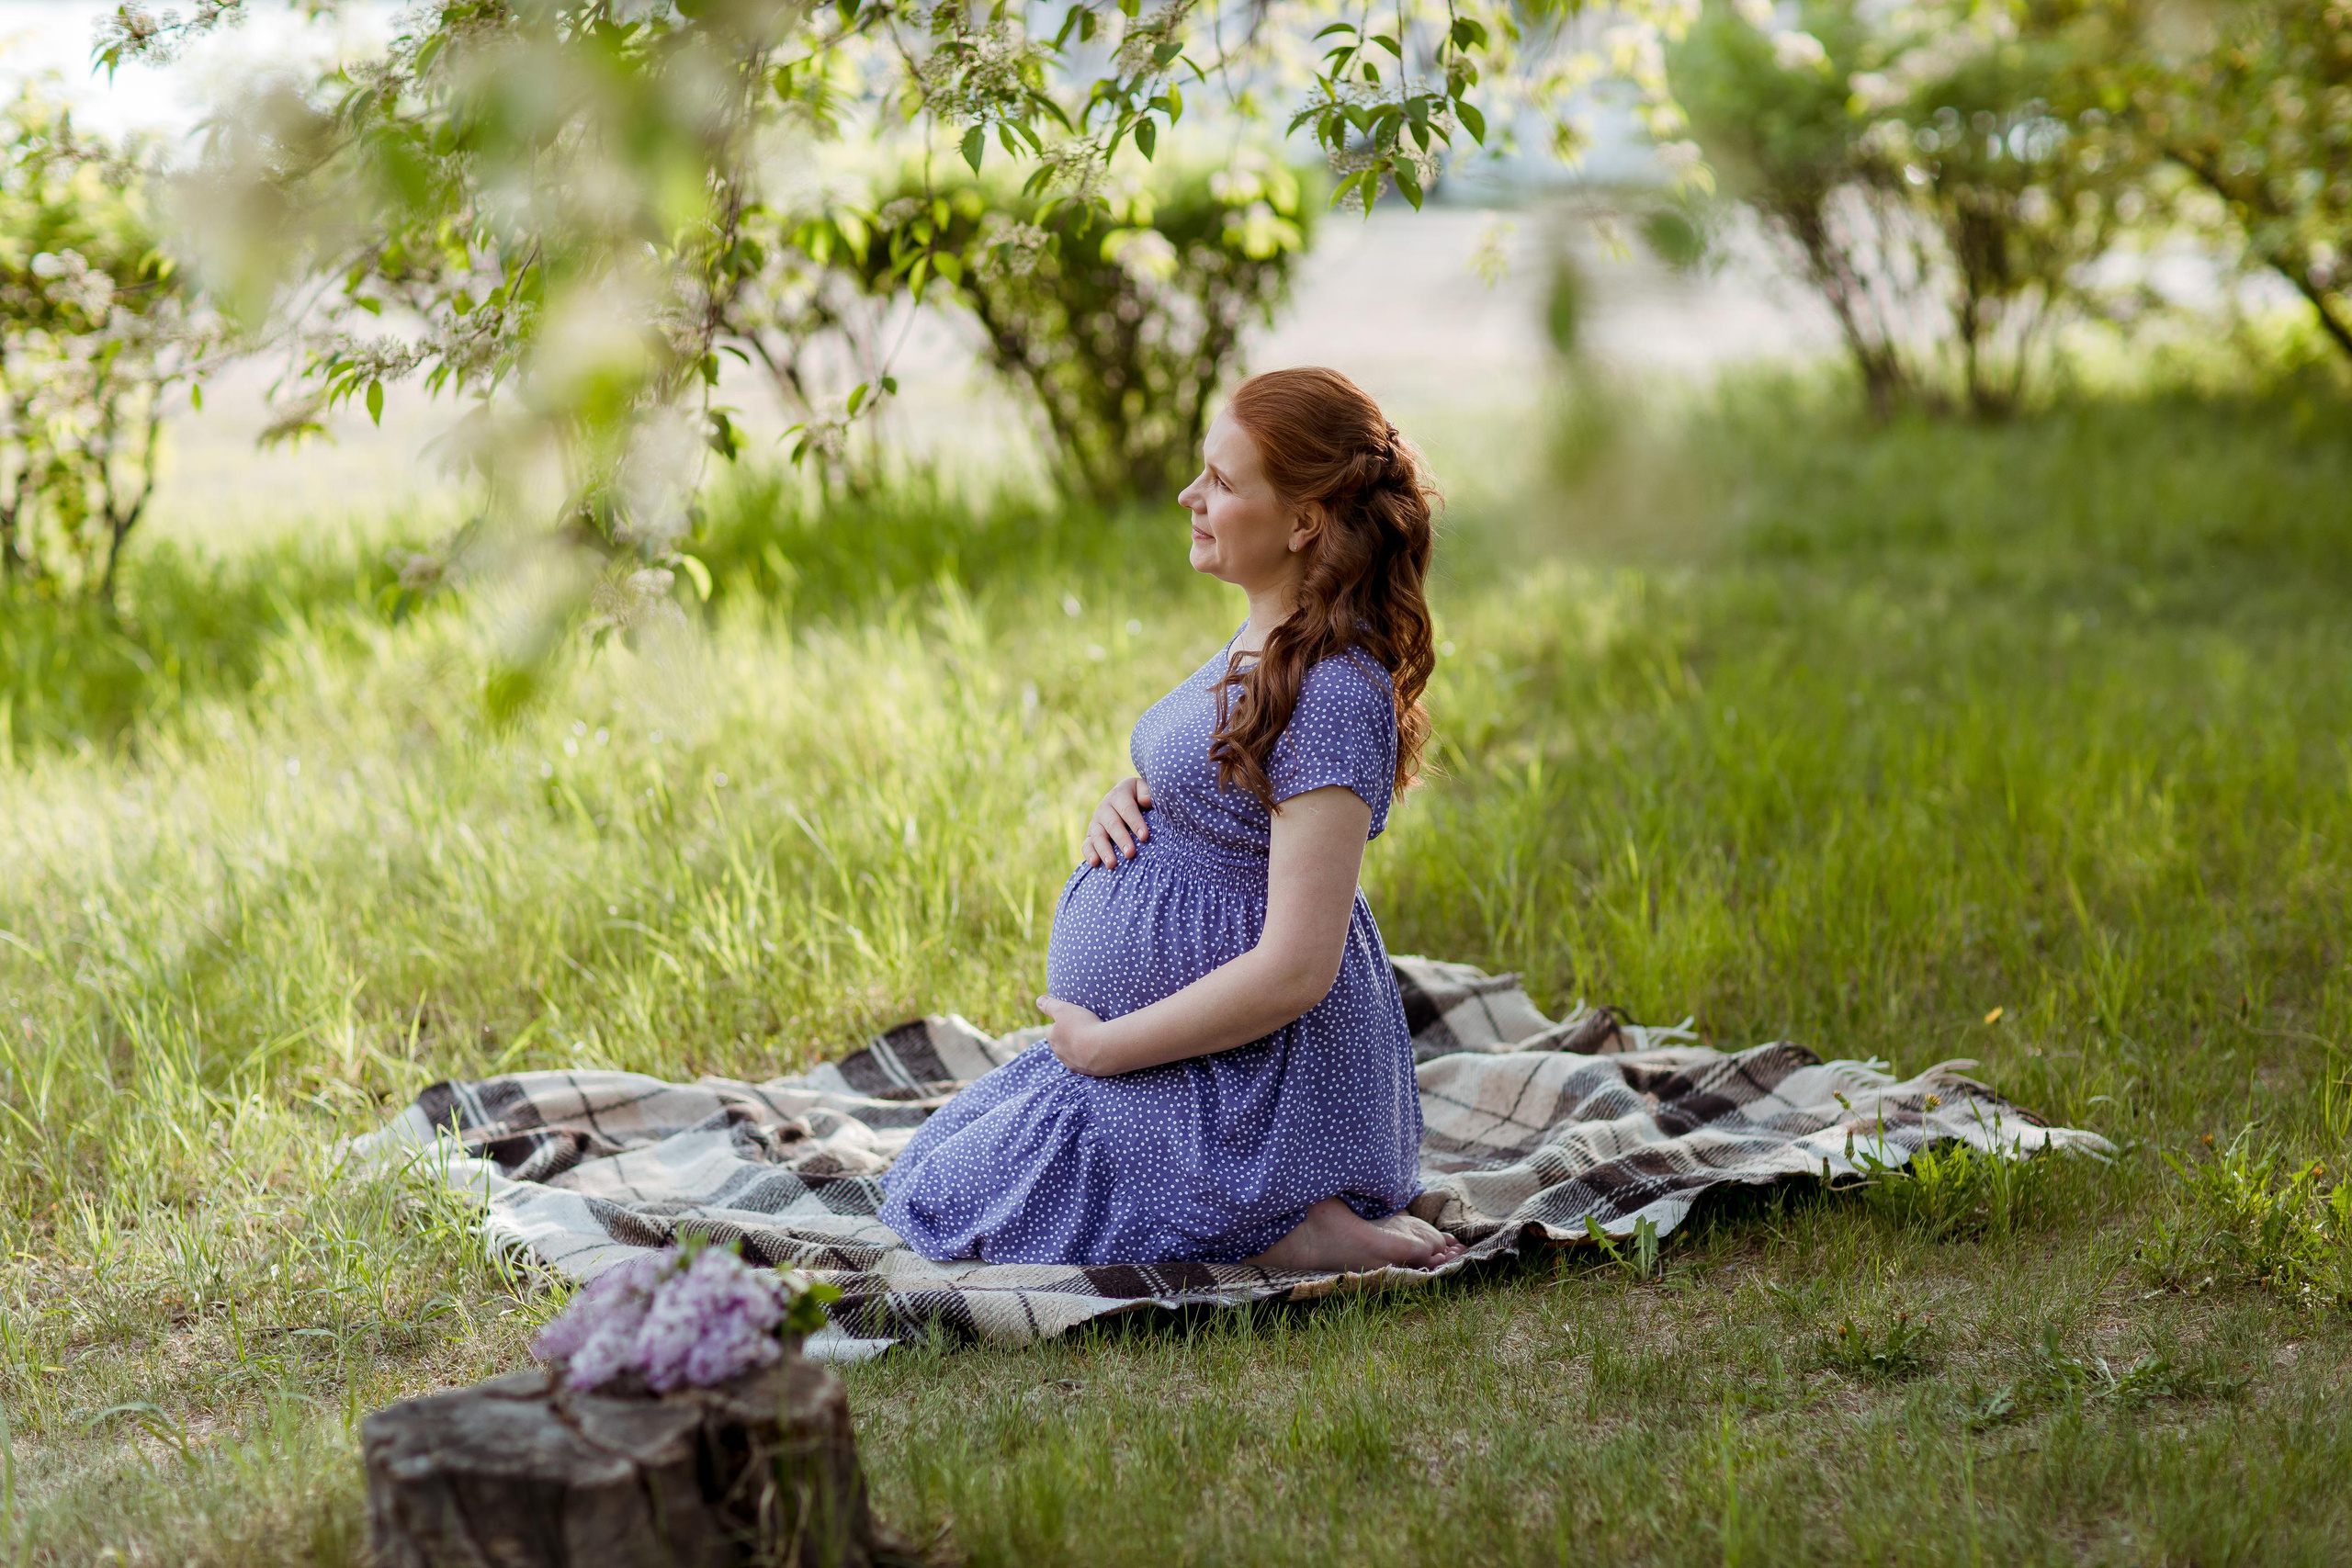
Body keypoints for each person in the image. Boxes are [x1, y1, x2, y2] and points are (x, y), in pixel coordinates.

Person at [876, 367, 1463, 1272]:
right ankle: (1276, 1204)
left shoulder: (1337, 690)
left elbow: (1297, 970)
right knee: (946, 1166)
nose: (1191, 497)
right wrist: (1139, 791)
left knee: (970, 1195)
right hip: (1197, 1062)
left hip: (1267, 1077)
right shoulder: (1265, 634)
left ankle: (1292, 1220)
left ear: (1304, 519)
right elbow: (1225, 782)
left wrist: (1110, 1047)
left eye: (1223, 484)